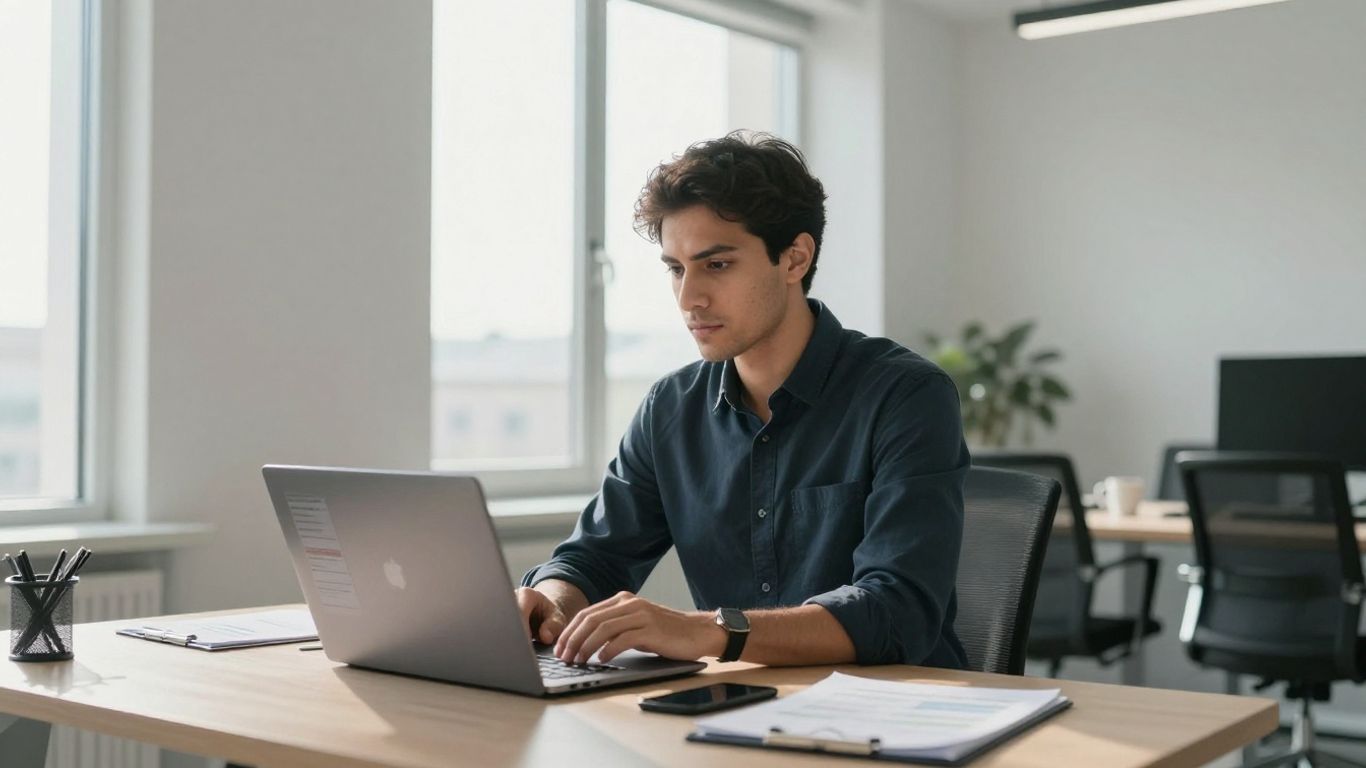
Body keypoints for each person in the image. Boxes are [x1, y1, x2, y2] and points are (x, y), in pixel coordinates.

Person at [516, 131, 969, 669]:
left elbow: (896, 611)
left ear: (795, 259)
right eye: (676, 269)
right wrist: (551, 601)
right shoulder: (670, 409)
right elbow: (593, 558)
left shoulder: (906, 397)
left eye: (717, 265)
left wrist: (706, 630)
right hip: (741, 702)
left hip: (898, 705)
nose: (689, 298)